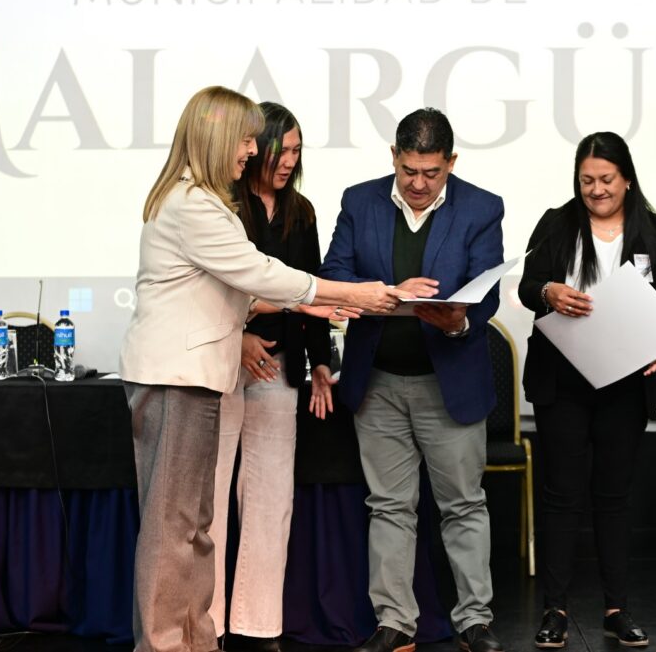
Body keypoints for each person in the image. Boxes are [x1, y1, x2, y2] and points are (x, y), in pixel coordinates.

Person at [119, 86, 401, 652]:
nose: (252, 150)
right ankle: (165, 645)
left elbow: (238, 291)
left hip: (195, 377)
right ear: (218, 138)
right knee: (175, 529)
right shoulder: (195, 206)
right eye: (246, 139)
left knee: (193, 525)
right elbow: (260, 273)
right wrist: (350, 294)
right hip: (178, 378)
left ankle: (198, 641)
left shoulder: (202, 201)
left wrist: (310, 313)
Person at [318, 108, 506, 652]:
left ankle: (475, 619)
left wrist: (458, 320)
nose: (419, 184)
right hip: (377, 381)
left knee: (463, 505)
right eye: (409, 171)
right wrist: (387, 292)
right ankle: (395, 621)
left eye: (432, 173)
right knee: (389, 506)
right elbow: (334, 273)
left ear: (451, 162)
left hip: (449, 382)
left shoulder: (482, 207)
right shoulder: (360, 201)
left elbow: (487, 289)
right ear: (394, 158)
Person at [518, 132, 656, 649]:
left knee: (613, 497)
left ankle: (617, 609)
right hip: (562, 381)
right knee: (561, 495)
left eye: (607, 179)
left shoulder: (655, 232)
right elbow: (527, 287)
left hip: (626, 383)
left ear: (627, 178)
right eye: (587, 180)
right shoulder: (556, 223)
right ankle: (555, 609)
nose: (596, 190)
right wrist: (548, 292)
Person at [205, 102, 335, 651]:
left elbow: (310, 290)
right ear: (256, 147)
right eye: (283, 150)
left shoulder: (301, 212)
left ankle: (259, 626)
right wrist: (238, 339)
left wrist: (321, 360)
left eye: (298, 152)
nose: (289, 161)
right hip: (221, 363)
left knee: (270, 499)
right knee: (210, 499)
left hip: (279, 369)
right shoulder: (222, 204)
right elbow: (209, 290)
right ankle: (207, 625)